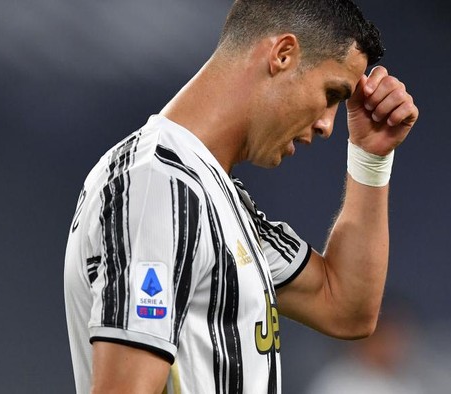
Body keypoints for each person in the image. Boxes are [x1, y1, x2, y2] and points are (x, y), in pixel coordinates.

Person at [64, 0, 419, 393]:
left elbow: (346, 308)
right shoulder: (158, 183)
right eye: (330, 94)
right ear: (283, 55)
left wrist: (371, 157)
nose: (327, 126)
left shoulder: (211, 194)